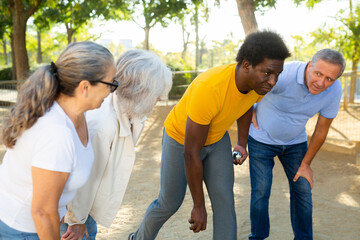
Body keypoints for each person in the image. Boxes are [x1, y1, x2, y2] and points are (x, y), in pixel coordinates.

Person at [129, 30, 291, 240]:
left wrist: (242, 144)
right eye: (268, 73)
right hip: (181, 140)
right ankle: (139, 238)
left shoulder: (255, 85)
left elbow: (245, 107)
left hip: (216, 140)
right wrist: (199, 206)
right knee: (170, 202)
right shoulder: (210, 87)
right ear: (246, 65)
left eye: (277, 75)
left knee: (224, 200)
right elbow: (191, 153)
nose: (272, 81)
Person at [0, 41, 116, 239]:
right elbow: (43, 212)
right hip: (23, 230)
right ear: (85, 87)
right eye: (111, 84)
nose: (114, 90)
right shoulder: (56, 133)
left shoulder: (78, 114)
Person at [59, 49, 173, 240]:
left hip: (88, 208)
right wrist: (76, 221)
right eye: (156, 92)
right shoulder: (103, 123)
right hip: (72, 212)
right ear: (139, 90)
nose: (160, 98)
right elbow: (84, 179)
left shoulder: (132, 112)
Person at [247, 49, 346, 240]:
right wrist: (248, 109)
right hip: (261, 139)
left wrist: (306, 164)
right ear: (309, 65)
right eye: (318, 73)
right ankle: (257, 237)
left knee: (303, 189)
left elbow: (321, 129)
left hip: (295, 143)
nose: (321, 83)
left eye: (329, 78)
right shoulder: (284, 73)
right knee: (261, 191)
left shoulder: (334, 90)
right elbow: (250, 81)